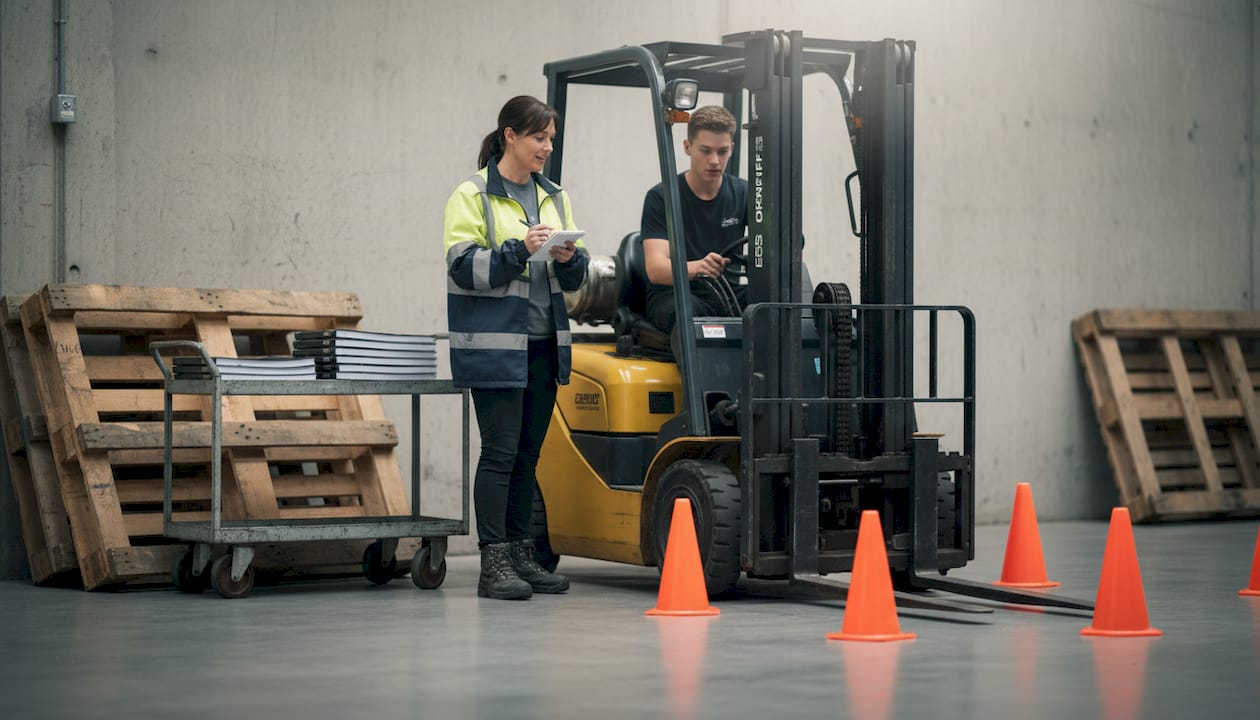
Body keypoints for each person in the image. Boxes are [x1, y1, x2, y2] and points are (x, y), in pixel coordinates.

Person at [443, 95, 589, 600]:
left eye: (551, 138)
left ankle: (523, 555)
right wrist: (519, 250)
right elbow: (463, 266)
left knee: (529, 455)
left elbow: (573, 277)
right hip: (495, 347)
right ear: (510, 135)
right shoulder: (472, 194)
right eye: (538, 137)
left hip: (545, 343)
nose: (547, 147)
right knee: (501, 453)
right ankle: (494, 563)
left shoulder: (554, 196)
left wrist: (570, 258)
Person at [639, 105, 748, 336]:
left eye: (722, 151)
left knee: (778, 305)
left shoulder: (745, 193)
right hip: (676, 294)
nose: (714, 161)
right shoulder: (662, 197)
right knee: (692, 316)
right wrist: (698, 268)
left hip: (727, 292)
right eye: (705, 151)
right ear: (687, 147)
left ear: (732, 149)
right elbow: (656, 269)